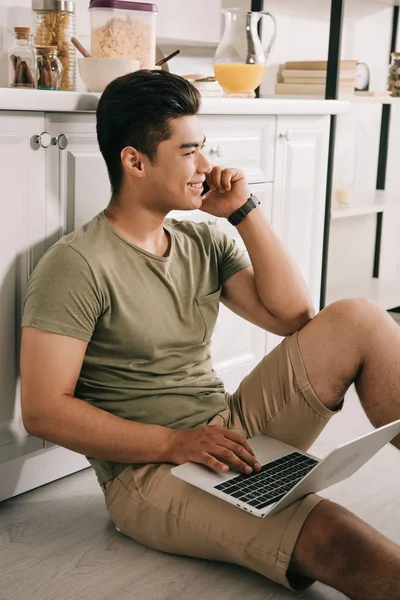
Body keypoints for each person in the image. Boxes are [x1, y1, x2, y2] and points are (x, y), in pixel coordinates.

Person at [20, 70, 400, 599]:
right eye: (189, 151)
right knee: (332, 532)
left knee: (360, 316)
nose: (207, 166)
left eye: (205, 148)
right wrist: (175, 443)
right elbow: (43, 410)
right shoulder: (77, 265)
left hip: (227, 429)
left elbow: (292, 317)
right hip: (147, 471)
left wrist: (244, 213)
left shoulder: (202, 240)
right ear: (135, 161)